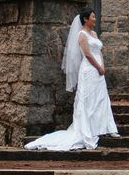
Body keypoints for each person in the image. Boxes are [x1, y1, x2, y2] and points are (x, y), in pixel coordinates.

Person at [25, 8, 119, 151]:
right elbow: (87, 54)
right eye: (93, 17)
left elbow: (99, 51)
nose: (95, 19)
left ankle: (106, 127)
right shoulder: (81, 35)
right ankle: (87, 129)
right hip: (89, 70)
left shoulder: (94, 33)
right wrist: (98, 67)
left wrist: (102, 67)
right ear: (86, 19)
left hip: (99, 71)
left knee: (101, 98)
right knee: (87, 99)